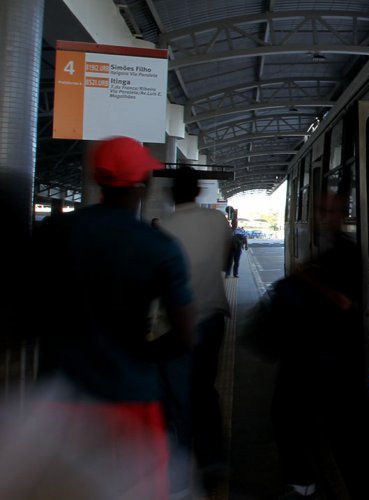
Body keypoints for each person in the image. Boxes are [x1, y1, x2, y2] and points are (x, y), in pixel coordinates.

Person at [24, 136, 195, 499]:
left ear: (99, 180)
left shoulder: (53, 232)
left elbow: (25, 312)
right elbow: (184, 336)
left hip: (59, 397)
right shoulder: (159, 247)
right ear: (144, 184)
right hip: (132, 397)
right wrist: (141, 356)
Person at [244, 192, 361, 499]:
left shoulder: (344, 252)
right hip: (310, 349)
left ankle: (303, 484)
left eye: (333, 210)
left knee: (288, 416)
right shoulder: (326, 246)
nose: (327, 217)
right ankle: (307, 478)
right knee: (302, 417)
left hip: (324, 352)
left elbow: (344, 302)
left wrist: (303, 277)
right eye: (322, 210)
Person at [157, 166, 233, 495]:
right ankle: (213, 460)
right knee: (206, 390)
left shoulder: (161, 227)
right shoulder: (218, 221)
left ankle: (181, 464)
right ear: (199, 191)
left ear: (171, 193)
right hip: (213, 316)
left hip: (173, 322)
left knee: (177, 394)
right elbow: (224, 261)